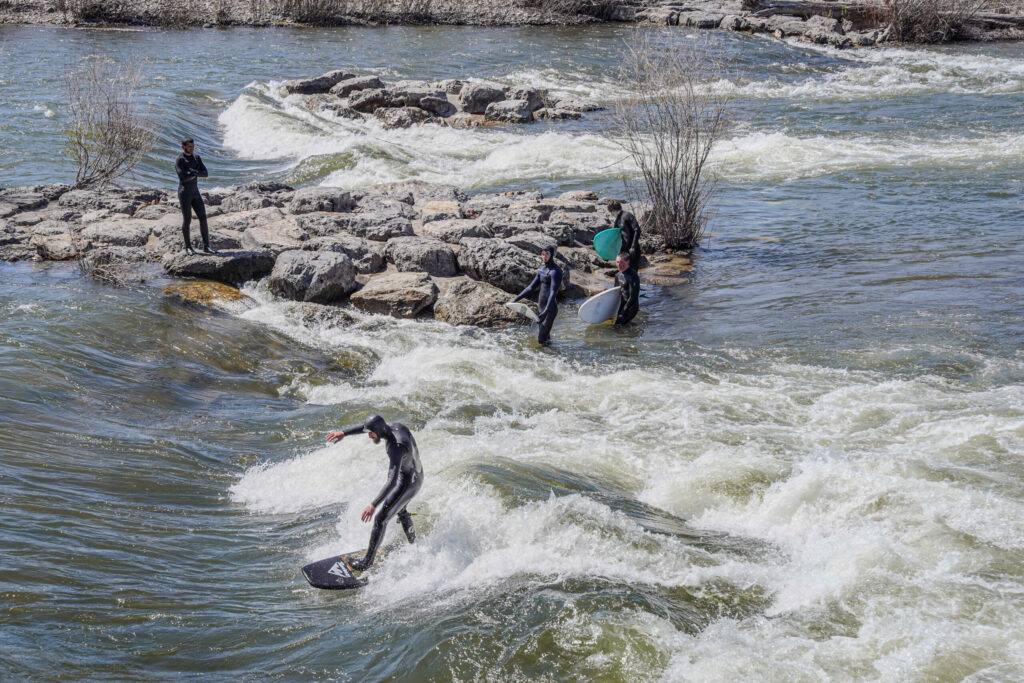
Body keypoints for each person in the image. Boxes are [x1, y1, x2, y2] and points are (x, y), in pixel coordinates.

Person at [326, 414, 422, 571]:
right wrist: (344, 433)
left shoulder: (395, 448)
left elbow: (391, 482)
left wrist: (373, 505)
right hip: (416, 474)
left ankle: (366, 563)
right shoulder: (394, 426)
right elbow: (370, 428)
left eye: (371, 433)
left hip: (409, 483)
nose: (369, 435)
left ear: (379, 431)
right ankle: (414, 543)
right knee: (400, 508)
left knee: (380, 519)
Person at [511, 244, 563, 345]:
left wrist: (546, 311)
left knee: (541, 339)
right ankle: (552, 355)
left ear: (552, 254)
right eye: (542, 254)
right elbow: (530, 288)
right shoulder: (541, 271)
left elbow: (553, 291)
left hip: (550, 309)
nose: (544, 256)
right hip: (541, 307)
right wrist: (515, 300)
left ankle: (547, 357)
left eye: (547, 254)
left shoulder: (555, 271)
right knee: (545, 337)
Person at [175, 137, 212, 254]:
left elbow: (205, 173)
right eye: (189, 147)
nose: (192, 149)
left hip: (195, 193)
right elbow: (183, 177)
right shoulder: (180, 160)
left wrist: (193, 172)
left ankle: (206, 246)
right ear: (183, 147)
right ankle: (188, 247)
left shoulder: (196, 158)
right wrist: (196, 173)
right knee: (187, 220)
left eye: (193, 147)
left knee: (203, 218)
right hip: (184, 193)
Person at [607, 200, 641, 270]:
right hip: (624, 251)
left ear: (614, 210)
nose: (611, 214)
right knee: (624, 271)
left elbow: (637, 230)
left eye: (611, 211)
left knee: (633, 272)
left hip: (633, 249)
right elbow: (615, 236)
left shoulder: (627, 215)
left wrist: (633, 247)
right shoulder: (617, 220)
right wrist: (608, 252)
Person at [614, 252, 640, 325]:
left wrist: (623, 311)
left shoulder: (633, 276)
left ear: (628, 262)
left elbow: (633, 297)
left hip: (631, 307)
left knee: (618, 325)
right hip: (622, 304)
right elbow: (615, 292)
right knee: (618, 325)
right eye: (617, 262)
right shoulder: (617, 275)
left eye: (621, 262)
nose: (619, 264)